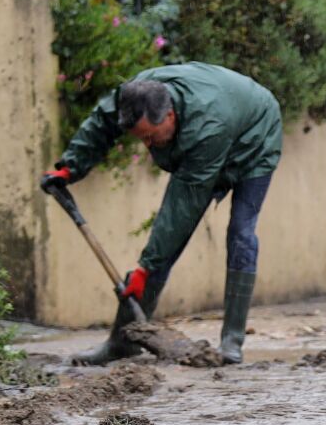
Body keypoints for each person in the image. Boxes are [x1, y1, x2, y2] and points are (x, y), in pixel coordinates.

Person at [41, 63, 283, 366]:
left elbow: (179, 211)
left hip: (256, 137)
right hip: (221, 118)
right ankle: (123, 344)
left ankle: (231, 341)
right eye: (140, 138)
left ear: (170, 115)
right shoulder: (135, 95)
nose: (146, 145)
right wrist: (69, 167)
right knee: (162, 250)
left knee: (241, 234)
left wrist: (144, 268)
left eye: (151, 138)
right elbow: (100, 123)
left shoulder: (206, 129)